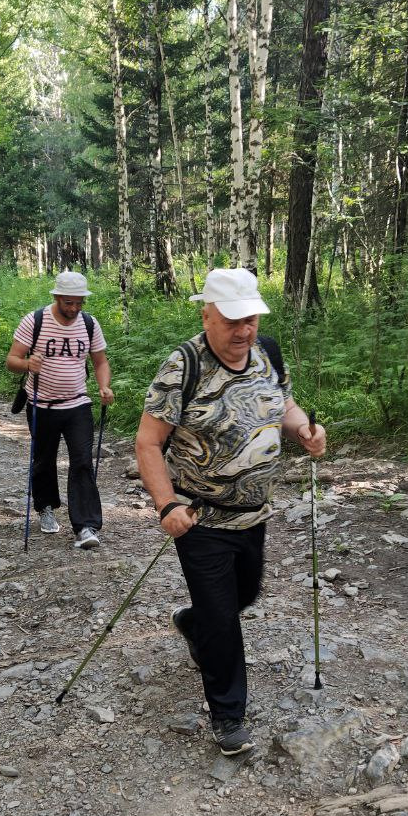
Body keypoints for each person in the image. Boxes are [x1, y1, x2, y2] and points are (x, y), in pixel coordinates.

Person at [135, 268, 326, 756]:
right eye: (233, 321)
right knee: (224, 618)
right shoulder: (183, 366)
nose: (244, 331)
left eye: (252, 320)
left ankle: (192, 624)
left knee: (244, 595)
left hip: (253, 513)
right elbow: (149, 442)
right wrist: (165, 504)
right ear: (207, 315)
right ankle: (228, 717)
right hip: (200, 517)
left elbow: (282, 403)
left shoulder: (268, 352)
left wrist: (304, 430)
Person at [6, 270, 114, 549]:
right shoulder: (35, 321)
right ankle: (45, 507)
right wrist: (27, 364)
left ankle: (86, 526)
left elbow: (100, 361)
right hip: (41, 405)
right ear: (56, 297)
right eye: (69, 303)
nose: (74, 308)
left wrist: (104, 386)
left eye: (79, 303)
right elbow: (12, 360)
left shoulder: (89, 324)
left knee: (82, 462)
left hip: (78, 404)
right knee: (44, 460)